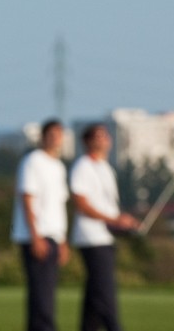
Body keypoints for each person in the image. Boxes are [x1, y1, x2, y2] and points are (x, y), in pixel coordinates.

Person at [69, 124, 139, 331]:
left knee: (94, 298)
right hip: (91, 238)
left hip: (106, 237)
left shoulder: (106, 168)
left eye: (105, 135)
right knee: (105, 294)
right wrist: (114, 220)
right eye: (97, 136)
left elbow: (108, 205)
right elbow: (81, 204)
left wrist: (124, 220)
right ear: (87, 141)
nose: (103, 139)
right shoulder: (82, 166)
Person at [11, 119, 70, 331]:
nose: (55, 139)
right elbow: (28, 198)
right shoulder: (33, 161)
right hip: (36, 237)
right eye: (51, 134)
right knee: (40, 298)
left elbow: (59, 206)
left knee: (48, 295)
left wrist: (62, 240)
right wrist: (34, 236)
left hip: (54, 237)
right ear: (43, 137)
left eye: (59, 135)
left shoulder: (59, 166)